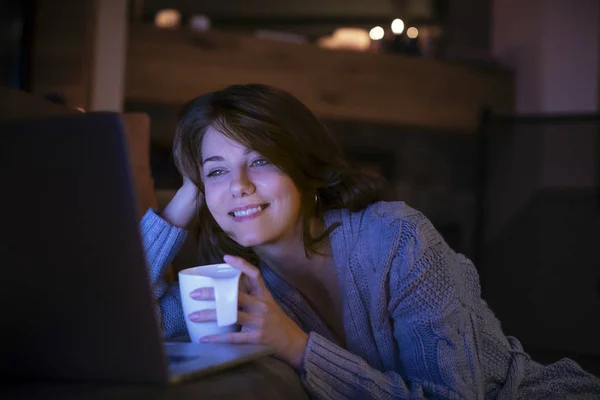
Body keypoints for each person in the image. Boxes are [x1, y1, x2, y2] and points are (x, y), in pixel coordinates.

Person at [140, 84, 600, 399]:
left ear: (304, 171)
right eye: (217, 170)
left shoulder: (396, 239)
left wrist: (299, 348)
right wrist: (183, 199)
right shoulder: (240, 286)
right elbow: (131, 325)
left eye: (260, 161)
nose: (237, 184)